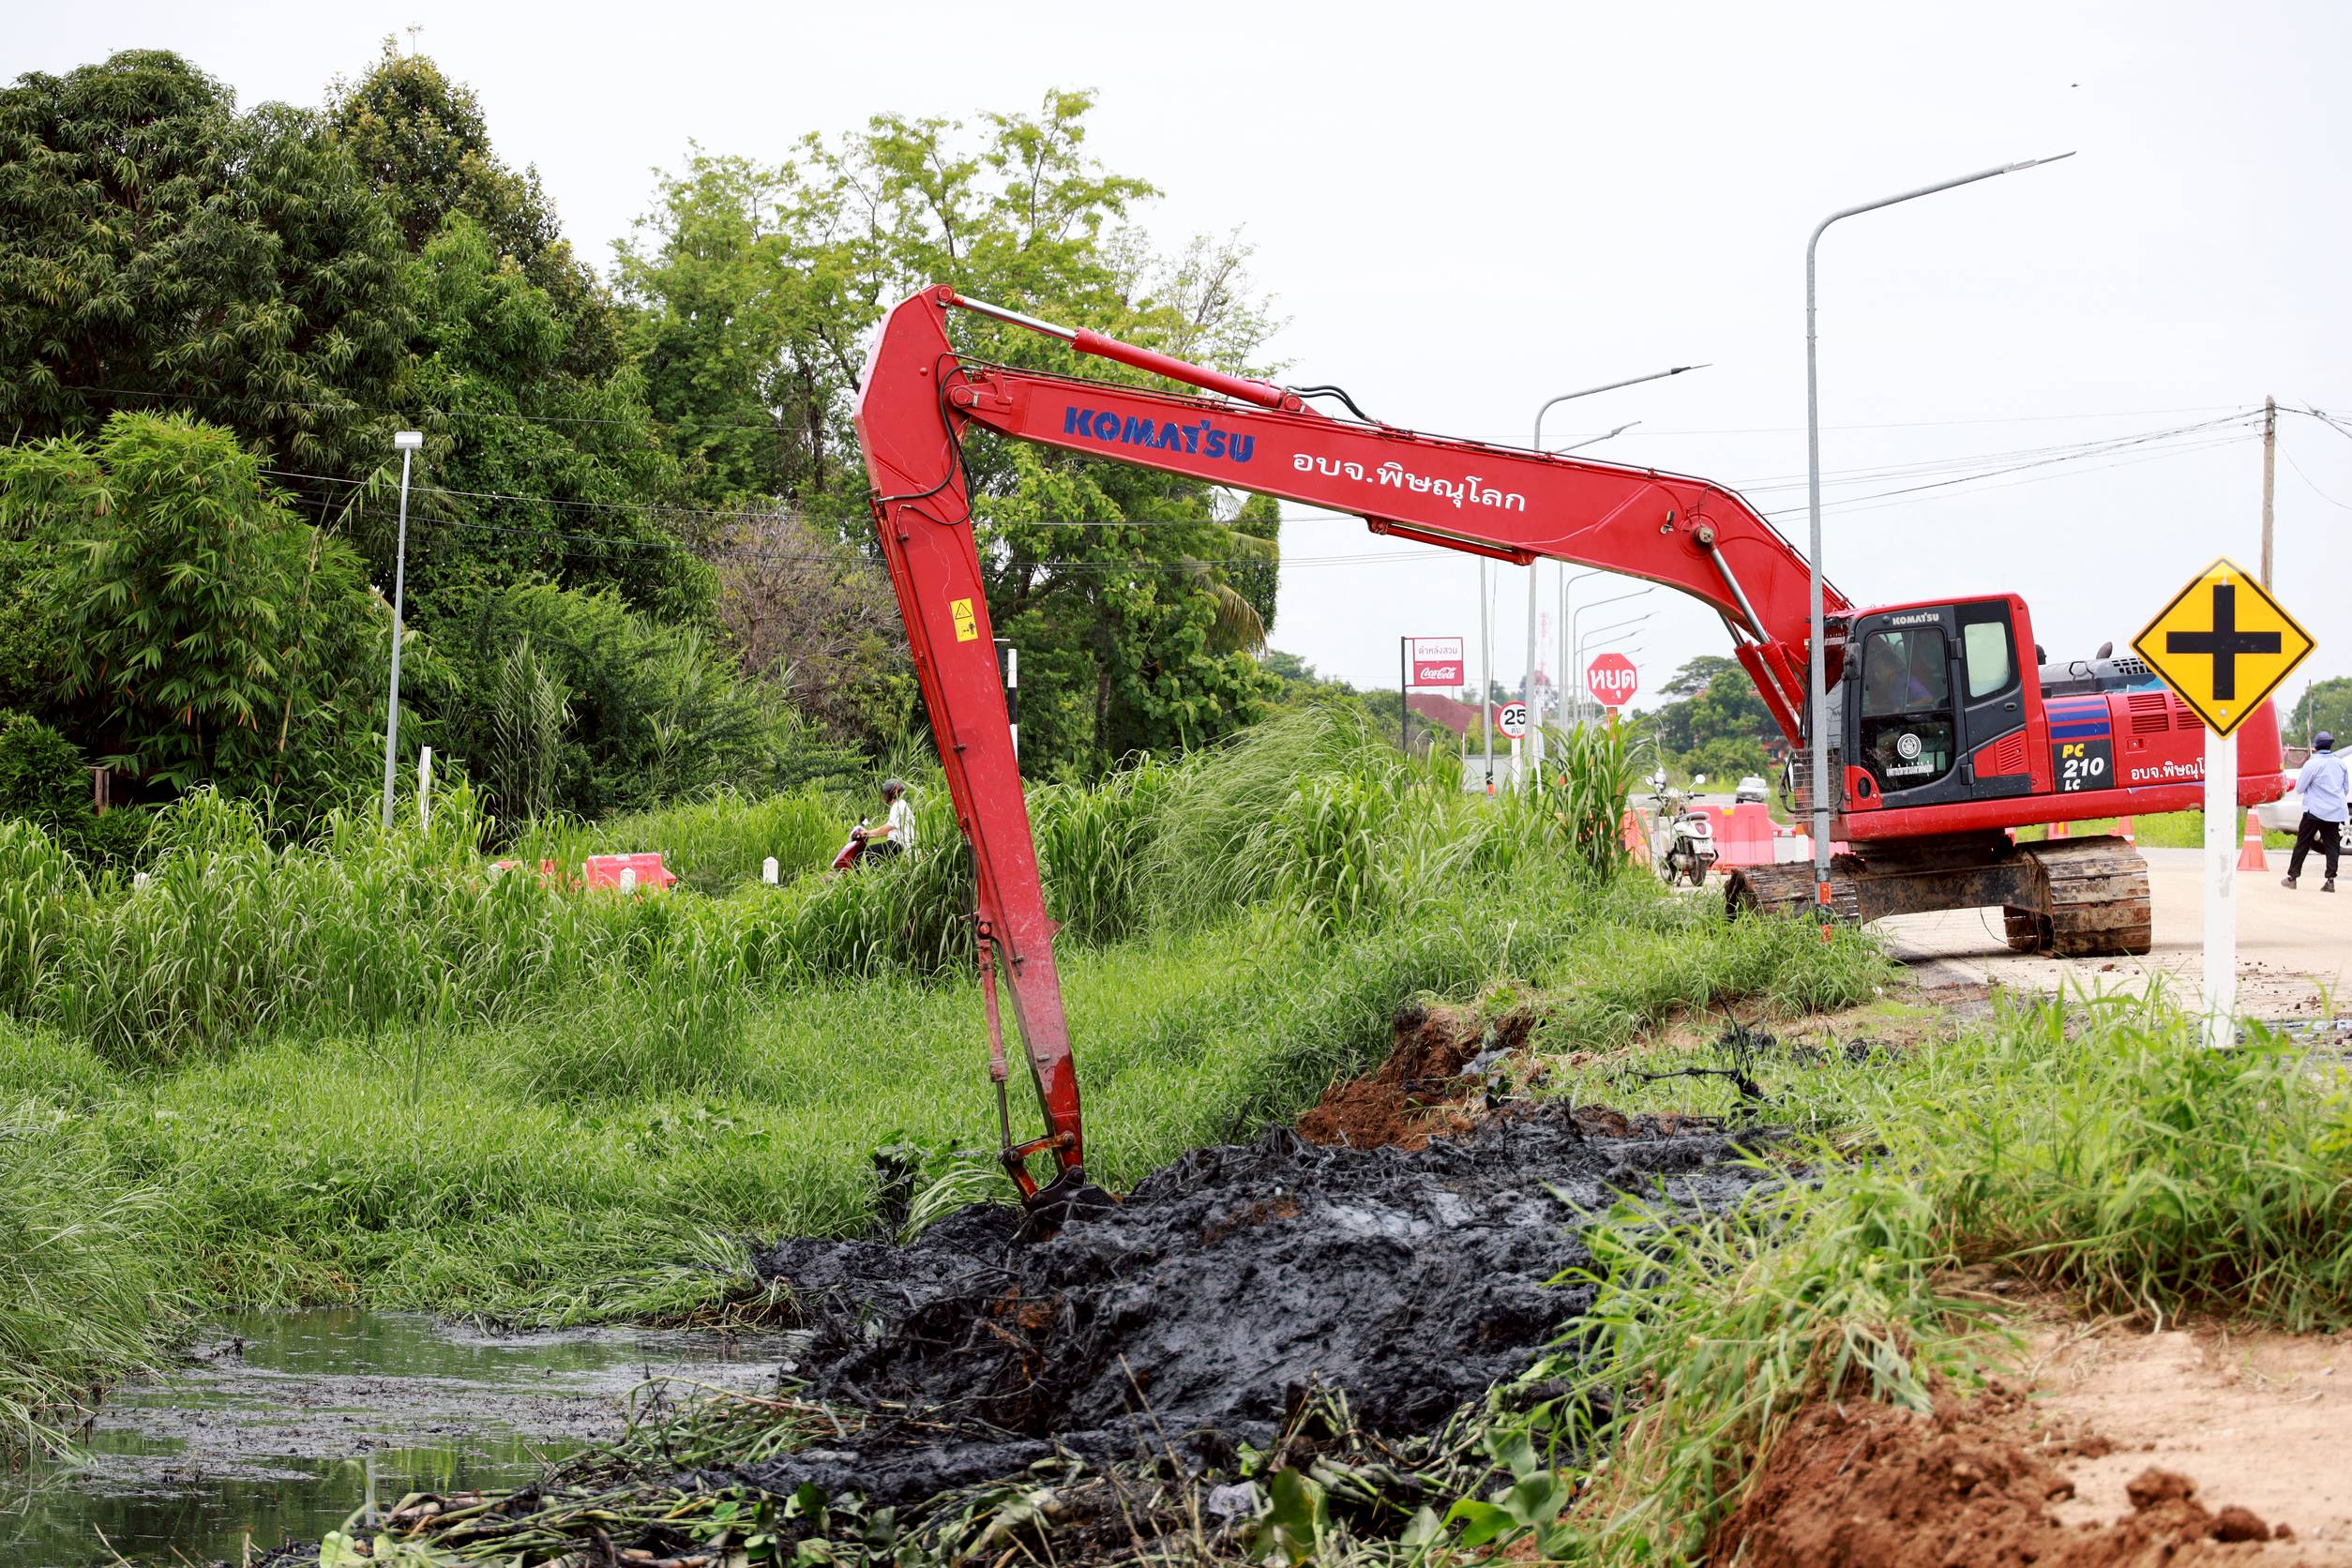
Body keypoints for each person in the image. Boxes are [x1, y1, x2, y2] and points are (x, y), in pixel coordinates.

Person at [2282, 732, 2345, 892]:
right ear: (2330, 746)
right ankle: (2330, 881)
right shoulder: (2340, 764)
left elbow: (2300, 788)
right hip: (2334, 811)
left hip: (2314, 811)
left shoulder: (2312, 764)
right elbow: (2345, 789)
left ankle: (2292, 878)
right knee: (2332, 846)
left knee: (2303, 843)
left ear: (2316, 747)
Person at [859, 778, 916, 862]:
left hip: (900, 844)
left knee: (870, 851)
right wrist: (868, 835)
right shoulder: (900, 804)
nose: (884, 796)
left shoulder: (899, 805)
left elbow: (887, 829)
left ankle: (877, 871)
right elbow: (889, 831)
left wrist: (867, 833)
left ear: (893, 793)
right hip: (899, 843)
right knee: (881, 854)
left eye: (886, 793)